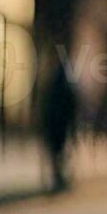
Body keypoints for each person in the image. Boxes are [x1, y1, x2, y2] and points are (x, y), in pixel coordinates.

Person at [40, 55, 79, 193]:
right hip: (61, 125)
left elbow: (45, 106)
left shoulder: (51, 85)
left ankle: (57, 177)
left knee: (55, 153)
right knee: (60, 153)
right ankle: (59, 178)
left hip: (54, 124)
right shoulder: (67, 87)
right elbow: (72, 107)